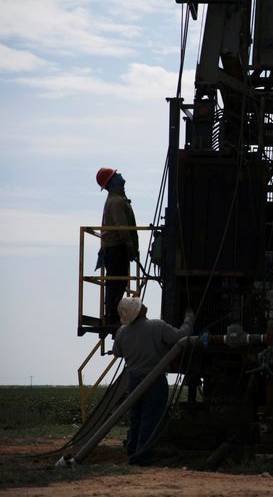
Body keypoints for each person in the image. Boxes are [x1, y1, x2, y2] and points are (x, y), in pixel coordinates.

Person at [112, 296, 195, 465]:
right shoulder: (156, 326)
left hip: (134, 381)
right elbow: (181, 336)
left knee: (136, 418)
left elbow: (117, 353)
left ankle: (133, 455)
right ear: (139, 311)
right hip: (154, 380)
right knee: (150, 419)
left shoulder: (121, 331)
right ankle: (143, 458)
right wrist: (189, 319)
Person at [96, 167, 138, 325]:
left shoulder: (119, 200)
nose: (120, 175)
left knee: (119, 282)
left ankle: (114, 314)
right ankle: (113, 316)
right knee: (116, 283)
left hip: (118, 248)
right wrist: (130, 247)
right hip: (116, 249)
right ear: (112, 182)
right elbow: (122, 228)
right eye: (116, 175)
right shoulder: (116, 202)